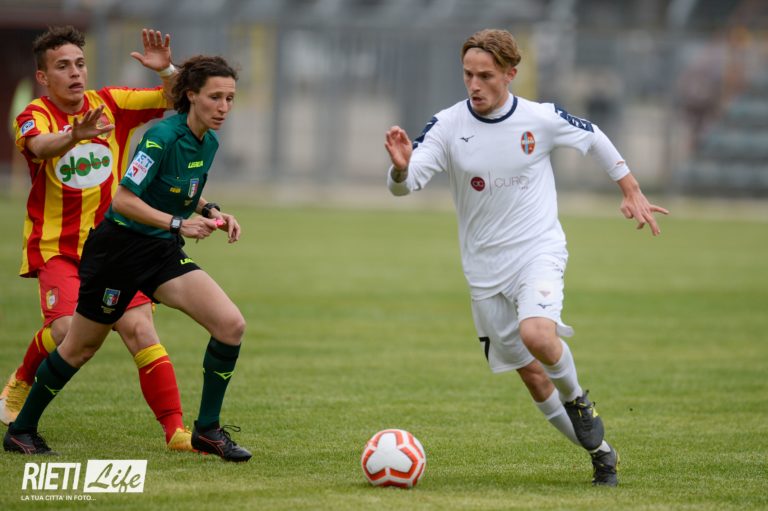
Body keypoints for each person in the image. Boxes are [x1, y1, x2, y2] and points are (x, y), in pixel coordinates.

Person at [384, 29, 669, 487]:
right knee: (535, 379)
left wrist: (630, 188)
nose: (474, 85)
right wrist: (400, 169)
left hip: (538, 251)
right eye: (468, 74)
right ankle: (601, 454)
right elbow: (405, 185)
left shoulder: (540, 118)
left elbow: (594, 137)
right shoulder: (448, 125)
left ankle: (577, 399)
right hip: (483, 273)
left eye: (485, 76)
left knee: (537, 333)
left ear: (511, 74)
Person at [3, 54, 252, 462]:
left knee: (230, 325)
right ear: (191, 95)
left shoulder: (208, 141)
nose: (224, 107)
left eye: (230, 98)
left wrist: (212, 212)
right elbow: (123, 199)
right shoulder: (161, 138)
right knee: (79, 347)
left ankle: (207, 430)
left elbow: (182, 189)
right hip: (118, 251)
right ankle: (21, 430)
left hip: (160, 251)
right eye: (215, 97)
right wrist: (178, 224)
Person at [0, 26, 193, 451]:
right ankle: (22, 379)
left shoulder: (111, 103)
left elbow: (176, 99)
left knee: (140, 329)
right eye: (62, 66)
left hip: (115, 247)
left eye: (80, 64)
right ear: (43, 77)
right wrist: (74, 134)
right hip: (58, 249)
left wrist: (167, 72)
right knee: (67, 330)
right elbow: (40, 146)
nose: (75, 72)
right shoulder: (34, 114)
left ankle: (176, 432)